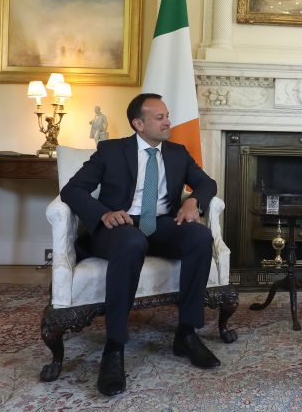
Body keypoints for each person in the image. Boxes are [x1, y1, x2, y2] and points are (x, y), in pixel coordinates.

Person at [61, 93, 219, 396]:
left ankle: (186, 334)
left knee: (199, 235)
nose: (168, 122)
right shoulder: (111, 151)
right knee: (132, 242)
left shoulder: (176, 152)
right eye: (160, 117)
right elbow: (73, 190)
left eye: (167, 115)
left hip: (160, 224)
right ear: (138, 123)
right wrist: (104, 213)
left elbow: (206, 183)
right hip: (120, 226)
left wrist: (194, 202)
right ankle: (115, 347)